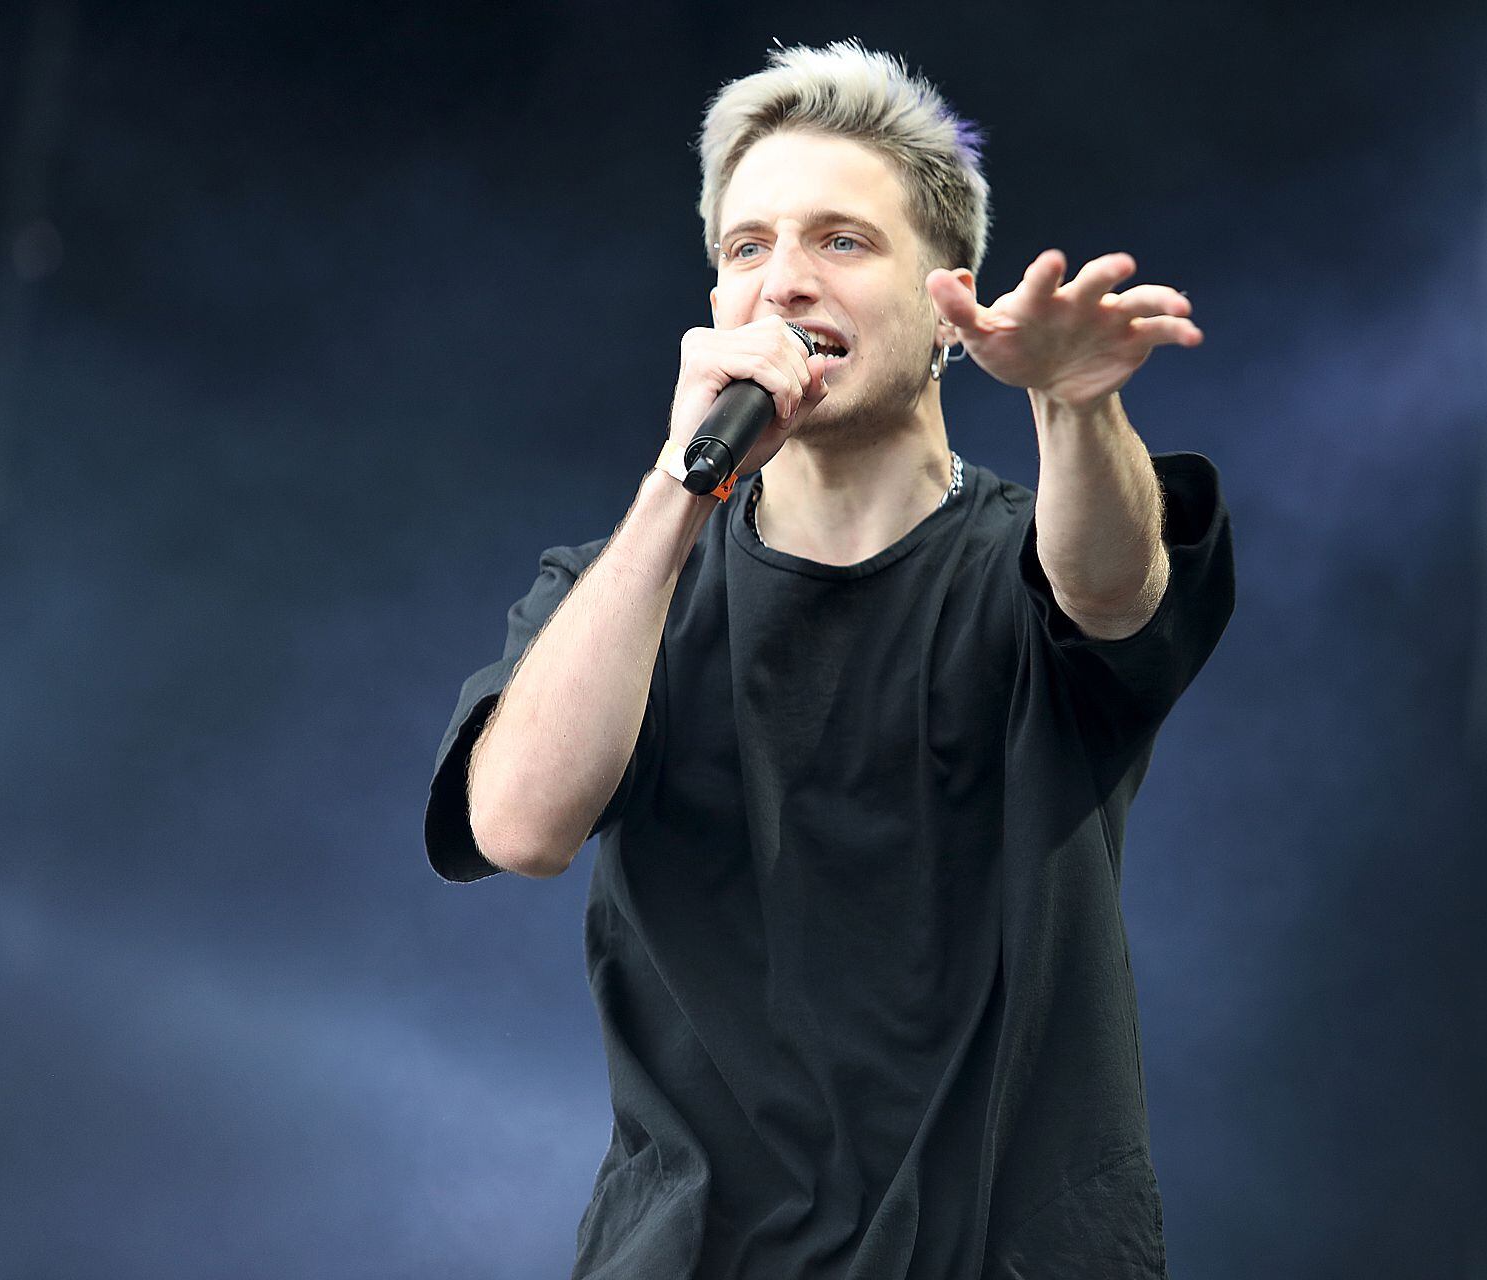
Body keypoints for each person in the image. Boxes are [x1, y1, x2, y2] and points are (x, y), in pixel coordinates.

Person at [424, 38, 1234, 1280]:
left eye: (841, 241)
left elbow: (1111, 586)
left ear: (948, 304)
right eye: (747, 248)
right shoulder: (621, 588)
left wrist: (1077, 402)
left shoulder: (1020, 564)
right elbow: (520, 825)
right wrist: (679, 486)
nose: (785, 284)